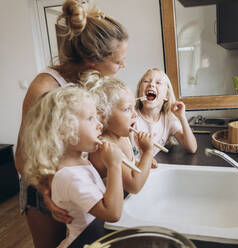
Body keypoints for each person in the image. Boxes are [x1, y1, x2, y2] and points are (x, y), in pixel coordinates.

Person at [14, 0, 129, 246]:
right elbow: (23, 155)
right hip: (42, 185)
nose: (123, 66)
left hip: (79, 182)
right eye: (118, 61)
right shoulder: (45, 87)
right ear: (93, 59)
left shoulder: (92, 81)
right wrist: (47, 192)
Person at [21, 87, 123, 248]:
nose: (99, 125)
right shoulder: (70, 176)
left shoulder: (75, 161)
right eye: (90, 118)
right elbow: (112, 213)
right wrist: (114, 165)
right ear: (63, 130)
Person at [81, 70, 155, 194]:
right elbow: (134, 185)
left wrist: (142, 163)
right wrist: (148, 152)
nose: (135, 114)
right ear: (103, 115)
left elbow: (127, 165)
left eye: (134, 107)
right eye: (127, 109)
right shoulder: (104, 147)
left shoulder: (122, 136)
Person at [131, 68, 197, 159]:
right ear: (139, 93)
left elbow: (191, 148)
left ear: (166, 96)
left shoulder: (168, 119)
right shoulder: (131, 117)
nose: (151, 84)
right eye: (146, 81)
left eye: (158, 83)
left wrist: (182, 117)